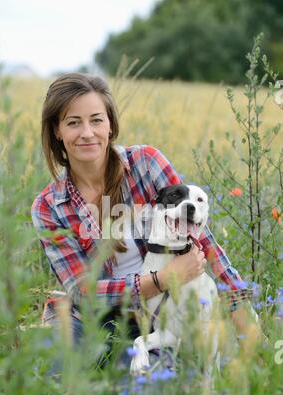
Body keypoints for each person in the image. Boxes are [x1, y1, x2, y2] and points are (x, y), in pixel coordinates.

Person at [31, 73, 246, 361]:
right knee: (55, 386)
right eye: (73, 122)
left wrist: (248, 326)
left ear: (110, 125)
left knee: (148, 393)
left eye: (96, 120)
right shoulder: (50, 206)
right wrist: (164, 278)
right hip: (88, 320)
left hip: (159, 321)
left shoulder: (145, 164)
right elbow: (84, 290)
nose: (87, 132)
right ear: (57, 130)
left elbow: (206, 246)